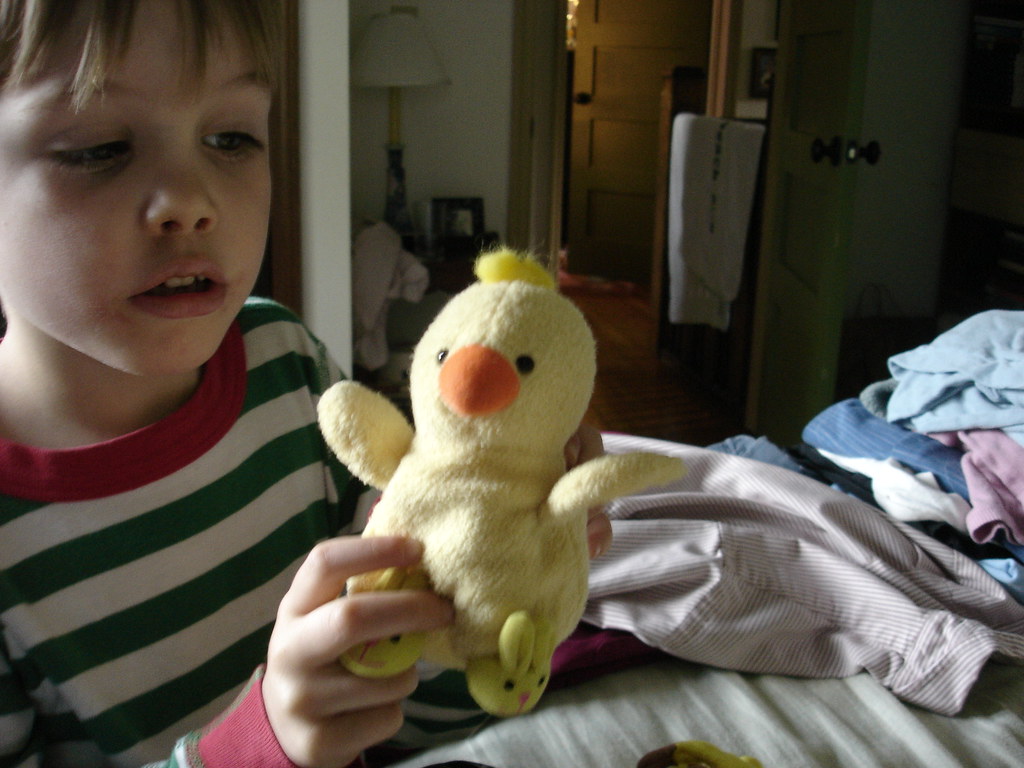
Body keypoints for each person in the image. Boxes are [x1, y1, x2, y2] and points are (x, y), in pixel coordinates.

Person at [0, 2, 610, 767]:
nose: (191, 201)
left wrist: (508, 595)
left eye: (231, 138)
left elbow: (424, 708)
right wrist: (261, 746)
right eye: (97, 148)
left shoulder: (283, 362)